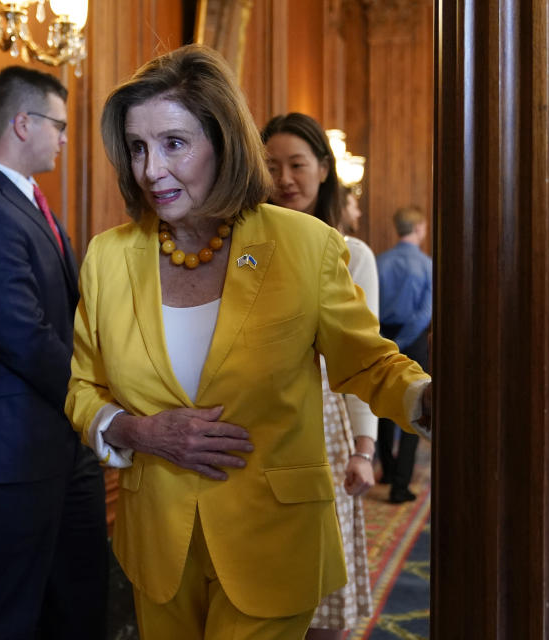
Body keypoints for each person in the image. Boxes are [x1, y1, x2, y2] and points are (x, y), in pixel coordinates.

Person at [65, 44, 431, 639]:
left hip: (272, 537)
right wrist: (137, 430)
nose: (151, 169)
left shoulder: (303, 244)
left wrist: (423, 398)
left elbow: (368, 363)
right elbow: (84, 388)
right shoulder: (108, 257)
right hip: (158, 540)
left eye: (174, 144)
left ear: (224, 141)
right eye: (137, 147)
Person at [0, 65, 107, 640]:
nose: (64, 139)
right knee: (6, 617)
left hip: (59, 444)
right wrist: (97, 400)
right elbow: (22, 333)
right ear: (22, 122)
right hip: (12, 454)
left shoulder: (27, 201)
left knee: (77, 605)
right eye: (59, 126)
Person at [262, 113, 378, 639]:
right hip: (257, 431)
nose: (284, 178)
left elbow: (361, 361)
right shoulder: (244, 250)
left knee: (323, 597)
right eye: (271, 166)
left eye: (297, 165)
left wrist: (364, 450)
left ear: (325, 170)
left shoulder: (352, 255)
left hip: (326, 433)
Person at [375, 206, 433, 503]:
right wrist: (404, 341)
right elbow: (425, 313)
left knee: (383, 402)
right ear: (420, 228)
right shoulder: (426, 264)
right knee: (415, 403)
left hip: (381, 336)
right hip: (411, 340)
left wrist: (388, 341)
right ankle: (400, 485)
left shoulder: (378, 261)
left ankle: (385, 469)